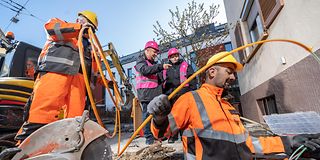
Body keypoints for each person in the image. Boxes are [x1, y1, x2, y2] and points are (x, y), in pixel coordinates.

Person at [147, 52, 320, 159]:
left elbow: (248, 144)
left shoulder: (228, 106)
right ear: (212, 72)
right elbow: (162, 133)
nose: (232, 77)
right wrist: (159, 117)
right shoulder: (191, 99)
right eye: (229, 72)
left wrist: (287, 142)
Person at [15, 10, 99, 142]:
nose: (89, 31)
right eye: (87, 25)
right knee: (42, 113)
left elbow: (94, 73)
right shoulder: (63, 26)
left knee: (75, 121)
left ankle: (66, 148)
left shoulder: (90, 49)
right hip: (55, 73)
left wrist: (110, 83)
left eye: (92, 30)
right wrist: (78, 28)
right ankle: (26, 150)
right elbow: (51, 29)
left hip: (78, 84)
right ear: (79, 20)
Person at [135, 40, 171, 145]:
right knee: (147, 116)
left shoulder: (153, 64)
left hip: (155, 93)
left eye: (156, 52)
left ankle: (158, 135)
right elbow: (145, 70)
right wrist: (161, 67)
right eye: (154, 52)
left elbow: (158, 79)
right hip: (146, 93)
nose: (156, 54)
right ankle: (149, 138)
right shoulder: (140, 61)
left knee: (157, 116)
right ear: (147, 50)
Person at [162, 47, 197, 143]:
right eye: (172, 57)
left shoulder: (186, 65)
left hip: (183, 94)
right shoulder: (165, 69)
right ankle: (173, 136)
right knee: (172, 116)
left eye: (176, 56)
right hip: (171, 95)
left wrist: (192, 91)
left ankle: (184, 134)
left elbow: (192, 79)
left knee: (185, 115)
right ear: (169, 58)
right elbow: (162, 82)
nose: (175, 58)